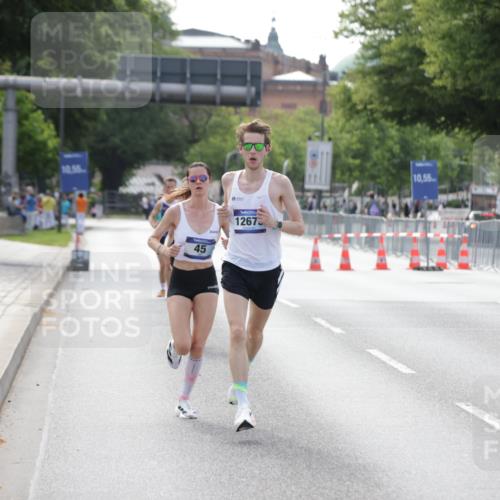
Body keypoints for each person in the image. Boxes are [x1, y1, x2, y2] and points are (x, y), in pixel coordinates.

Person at [218, 119, 305, 432]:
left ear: (266, 149)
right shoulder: (229, 180)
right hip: (236, 265)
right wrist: (223, 222)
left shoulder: (279, 183)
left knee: (254, 335)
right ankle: (243, 405)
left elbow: (300, 226)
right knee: (237, 332)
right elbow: (228, 223)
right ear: (240, 149)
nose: (253, 151)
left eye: (259, 146)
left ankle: (241, 377)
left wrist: (275, 222)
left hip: (267, 269)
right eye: (247, 146)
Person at [148, 163, 225, 420]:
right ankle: (173, 345)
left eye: (203, 178)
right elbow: (153, 238)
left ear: (210, 181)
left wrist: (229, 240)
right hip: (180, 278)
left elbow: (233, 238)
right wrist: (164, 251)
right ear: (189, 182)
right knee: (183, 344)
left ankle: (184, 400)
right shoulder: (176, 212)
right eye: (194, 179)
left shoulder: (221, 212)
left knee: (198, 344)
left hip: (207, 279)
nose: (199, 182)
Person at [148, 177, 178, 298]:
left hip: (173, 236)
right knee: (163, 264)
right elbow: (152, 216)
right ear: (164, 188)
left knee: (170, 265)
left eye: (173, 187)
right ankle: (162, 288)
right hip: (161, 235)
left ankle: (170, 289)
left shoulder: (180, 202)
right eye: (168, 187)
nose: (170, 189)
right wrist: (155, 225)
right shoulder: (161, 203)